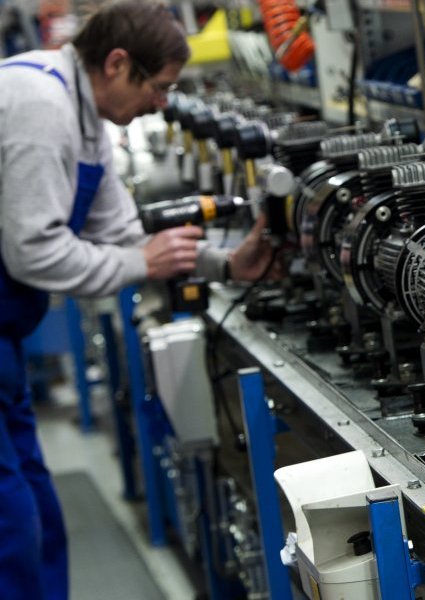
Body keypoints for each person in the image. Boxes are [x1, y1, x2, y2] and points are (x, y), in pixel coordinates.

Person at [0, 2, 275, 597]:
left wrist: (225, 262)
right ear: (118, 64)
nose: (160, 104)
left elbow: (125, 237)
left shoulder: (86, 116)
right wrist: (136, 264)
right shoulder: (40, 105)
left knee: (36, 506)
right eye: (159, 88)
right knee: (10, 522)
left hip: (4, 339)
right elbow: (32, 253)